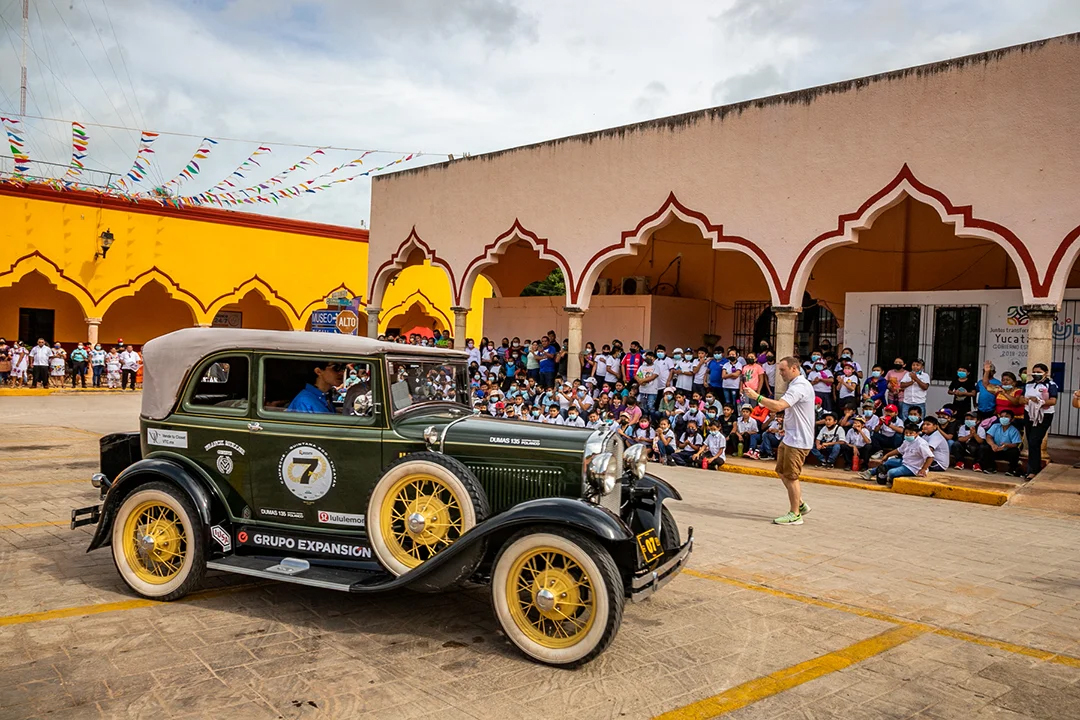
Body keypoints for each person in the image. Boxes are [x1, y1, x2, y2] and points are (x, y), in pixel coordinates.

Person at [742, 356, 815, 526]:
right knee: (782, 471)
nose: (780, 373)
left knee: (791, 476)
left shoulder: (799, 387)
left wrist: (757, 397)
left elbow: (778, 407)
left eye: (783, 370)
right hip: (790, 437)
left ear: (794, 368)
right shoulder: (795, 385)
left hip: (798, 440)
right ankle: (800, 504)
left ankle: (795, 514)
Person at [863, 423, 934, 486]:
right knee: (889, 462)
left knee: (891, 473)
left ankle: (882, 475)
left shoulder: (921, 444)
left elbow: (930, 457)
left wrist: (923, 469)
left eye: (911, 433)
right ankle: (871, 472)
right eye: (906, 433)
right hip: (905, 462)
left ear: (917, 433)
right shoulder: (907, 441)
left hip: (913, 468)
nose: (908, 435)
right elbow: (899, 450)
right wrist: (887, 455)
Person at [1021, 363, 1058, 480]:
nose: (1036, 374)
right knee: (1030, 440)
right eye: (1034, 372)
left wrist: (1039, 401)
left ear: (1045, 373)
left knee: (1034, 440)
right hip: (1029, 414)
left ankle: (1033, 470)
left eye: (1038, 372)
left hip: (1044, 415)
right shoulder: (1028, 385)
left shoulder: (1050, 384)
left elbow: (1053, 401)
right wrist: (1026, 400)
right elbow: (1021, 398)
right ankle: (1031, 468)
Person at [980, 409, 1022, 475]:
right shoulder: (995, 426)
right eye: (1002, 416)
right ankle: (991, 467)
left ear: (1012, 419)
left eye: (1006, 417)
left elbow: (1016, 444)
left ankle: (1012, 469)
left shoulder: (1014, 430)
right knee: (984, 447)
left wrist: (1007, 445)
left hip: (1006, 451)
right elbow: (988, 437)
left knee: (1015, 451)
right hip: (995, 450)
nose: (1003, 418)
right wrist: (993, 445)